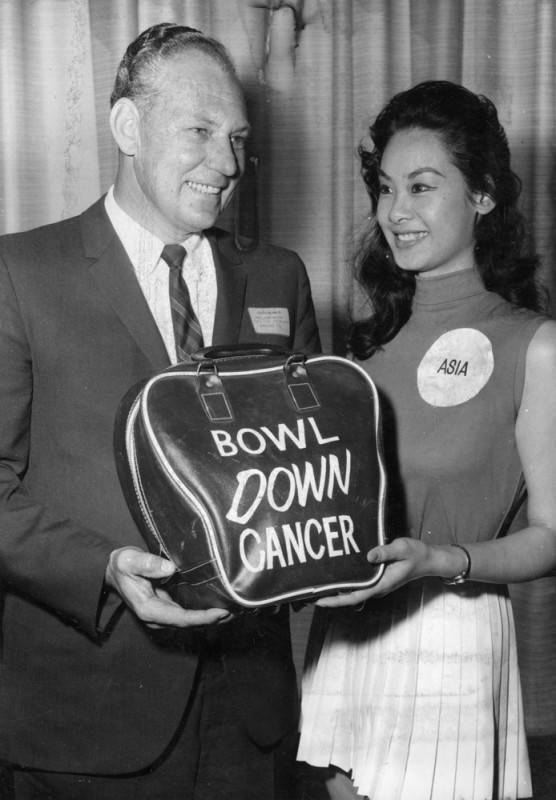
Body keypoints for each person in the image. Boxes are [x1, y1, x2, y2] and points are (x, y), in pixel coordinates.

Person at [0, 22, 320, 800]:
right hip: (85, 718)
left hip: (252, 717)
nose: (228, 164)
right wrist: (103, 568)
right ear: (126, 127)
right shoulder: (18, 273)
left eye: (238, 137)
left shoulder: (280, 276)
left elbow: (307, 470)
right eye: (200, 132)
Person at [297, 80, 556, 800]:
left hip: (452, 642)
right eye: (385, 188)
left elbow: (554, 535)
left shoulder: (536, 347)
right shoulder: (364, 351)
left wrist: (442, 560)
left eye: (421, 186)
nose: (395, 212)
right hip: (348, 641)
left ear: (483, 196)